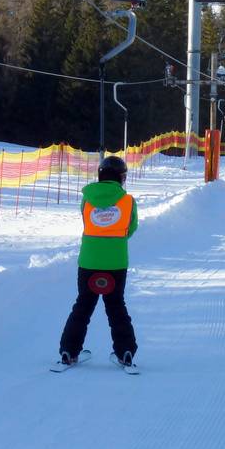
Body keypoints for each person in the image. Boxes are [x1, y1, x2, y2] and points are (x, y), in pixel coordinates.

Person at [58, 155, 138, 367]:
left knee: (83, 305)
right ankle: (125, 352)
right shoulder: (128, 201)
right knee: (116, 305)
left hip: (89, 261)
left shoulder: (87, 199)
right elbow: (131, 228)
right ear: (121, 178)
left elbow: (87, 223)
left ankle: (68, 351)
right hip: (116, 262)